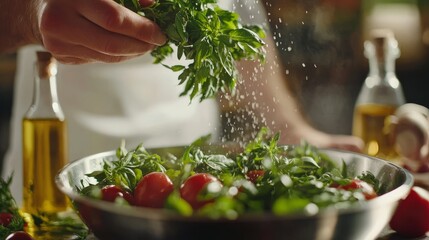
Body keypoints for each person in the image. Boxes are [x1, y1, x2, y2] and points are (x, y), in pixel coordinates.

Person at [0, 0, 363, 204]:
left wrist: (287, 127)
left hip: (194, 183)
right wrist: (31, 15)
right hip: (60, 177)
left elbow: (241, 21)